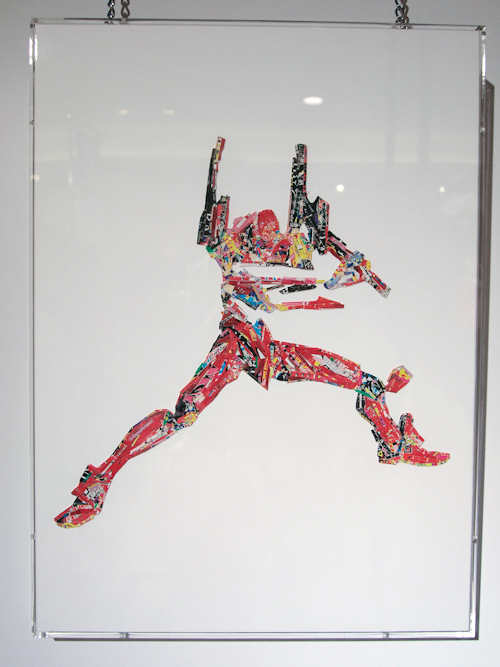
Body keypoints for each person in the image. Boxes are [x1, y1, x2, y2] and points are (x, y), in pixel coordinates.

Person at [55, 137, 449, 529]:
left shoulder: (284, 249)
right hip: (238, 344)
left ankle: (393, 444)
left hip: (272, 349)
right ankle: (99, 483)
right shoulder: (232, 252)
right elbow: (270, 288)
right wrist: (334, 280)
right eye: (263, 240)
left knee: (367, 383)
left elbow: (303, 274)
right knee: (184, 414)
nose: (270, 247)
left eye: (274, 242)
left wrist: (342, 266)